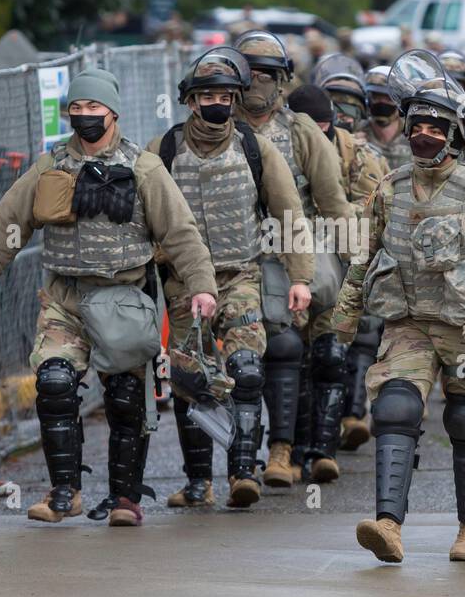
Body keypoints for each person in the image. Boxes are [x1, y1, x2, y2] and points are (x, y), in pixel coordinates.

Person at [0, 70, 218, 527]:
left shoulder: (144, 168)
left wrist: (201, 285)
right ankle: (65, 492)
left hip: (123, 298)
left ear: (112, 113)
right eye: (76, 108)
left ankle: (125, 498)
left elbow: (180, 232)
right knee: (54, 383)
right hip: (66, 298)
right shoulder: (51, 166)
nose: (84, 116)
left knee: (125, 397)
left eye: (93, 108)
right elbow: (10, 222)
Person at [332, 50, 465, 564]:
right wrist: (346, 312)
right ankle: (388, 525)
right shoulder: (389, 188)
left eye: (437, 128)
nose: (425, 136)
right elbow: (364, 253)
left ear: (456, 134)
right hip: (409, 320)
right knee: (395, 407)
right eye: (417, 127)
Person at [151, 47, 314, 508]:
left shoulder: (253, 147)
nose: (217, 104)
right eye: (208, 97)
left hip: (241, 275)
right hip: (185, 284)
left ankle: (244, 471)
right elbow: (145, 214)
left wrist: (300, 277)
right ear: (191, 101)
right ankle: (198, 481)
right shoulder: (164, 150)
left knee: (246, 369)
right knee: (191, 378)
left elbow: (289, 213)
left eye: (225, 96)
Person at [234, 31, 354, 486]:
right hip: (245, 255)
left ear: (282, 80)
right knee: (274, 353)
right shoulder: (220, 130)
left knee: (319, 354)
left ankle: (312, 449)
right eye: (249, 74)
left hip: (303, 249)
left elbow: (333, 203)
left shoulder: (300, 131)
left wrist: (355, 268)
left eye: (266, 75)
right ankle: (274, 453)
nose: (257, 83)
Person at [288, 79, 388, 479]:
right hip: (291, 261)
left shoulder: (359, 156)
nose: (318, 134)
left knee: (332, 354)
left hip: (342, 259)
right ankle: (291, 450)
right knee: (291, 357)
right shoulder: (278, 148)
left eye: (324, 126)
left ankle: (326, 445)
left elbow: (368, 211)